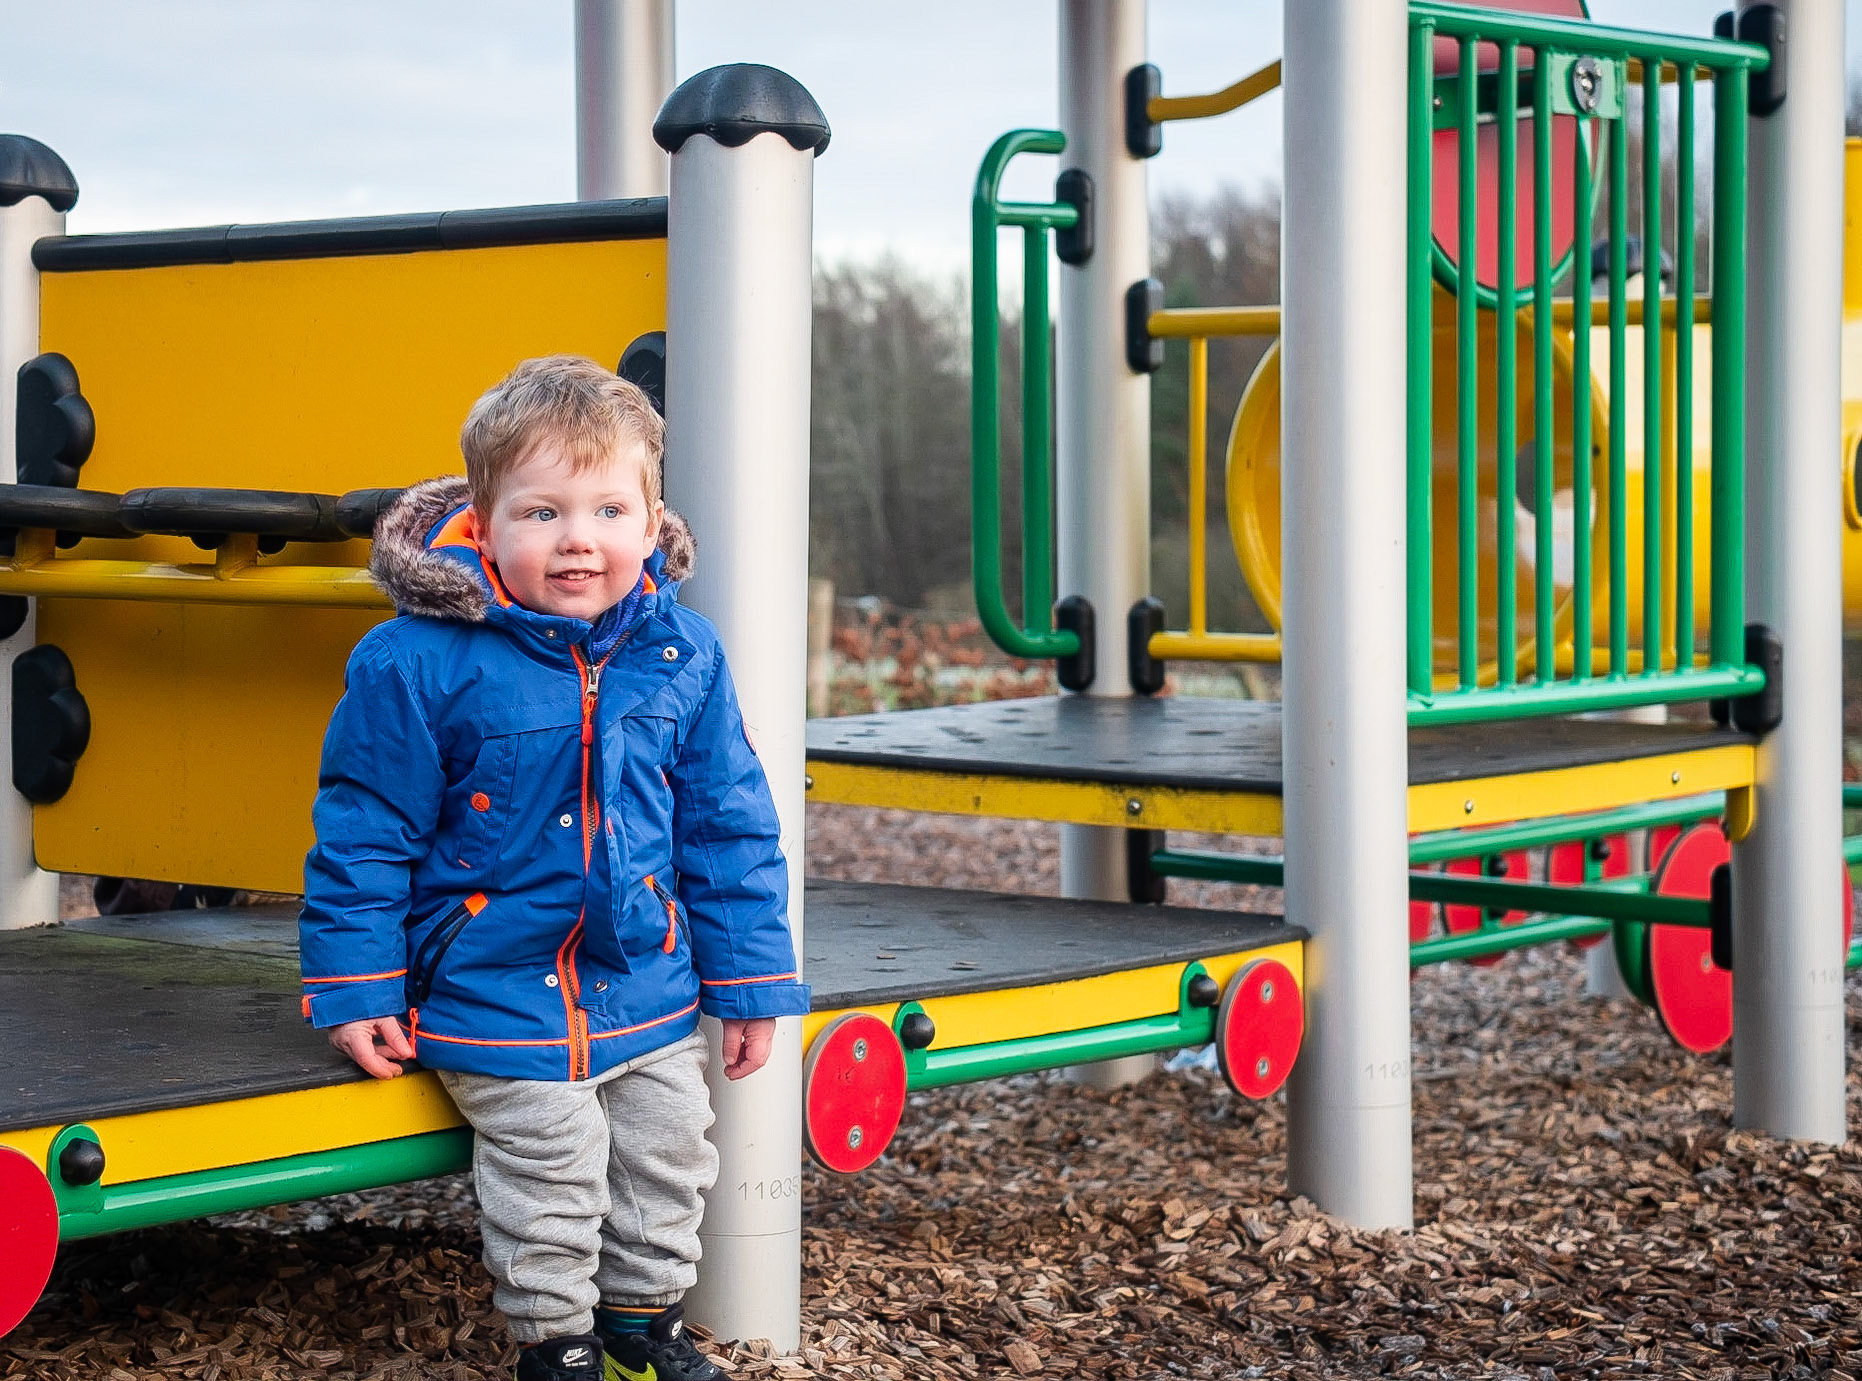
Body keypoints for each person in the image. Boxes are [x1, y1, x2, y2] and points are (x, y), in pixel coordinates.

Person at [299, 355, 808, 1381]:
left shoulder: (681, 654)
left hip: (645, 980)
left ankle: (639, 1324)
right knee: (552, 1167)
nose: (579, 538)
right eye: (540, 512)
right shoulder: (415, 660)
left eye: (609, 509)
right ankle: (555, 1343)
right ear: (481, 527)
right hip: (492, 987)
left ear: (651, 521)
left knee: (669, 1151)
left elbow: (726, 826)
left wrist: (751, 982)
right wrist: (356, 983)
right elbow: (365, 829)